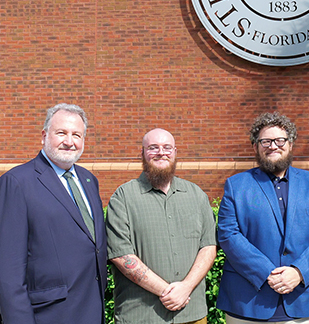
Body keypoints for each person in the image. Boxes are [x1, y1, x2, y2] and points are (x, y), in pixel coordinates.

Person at [217, 112, 309, 324]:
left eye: (280, 140)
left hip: (303, 300)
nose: (273, 146)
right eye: (265, 141)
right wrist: (266, 272)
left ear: (290, 144)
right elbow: (228, 235)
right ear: (255, 147)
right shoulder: (236, 185)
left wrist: (299, 272)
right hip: (248, 302)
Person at [0, 103, 107, 324]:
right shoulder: (18, 182)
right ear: (44, 136)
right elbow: (8, 269)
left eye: (77, 135)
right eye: (62, 133)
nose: (69, 141)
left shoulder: (88, 180)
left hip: (92, 311)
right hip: (49, 315)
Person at [106, 128, 217, 324]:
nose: (161, 152)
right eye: (153, 148)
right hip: (140, 316)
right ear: (142, 154)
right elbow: (121, 255)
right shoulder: (123, 197)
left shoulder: (196, 195)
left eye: (167, 147)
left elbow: (208, 247)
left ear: (175, 152)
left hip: (192, 313)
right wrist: (167, 292)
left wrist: (185, 288)